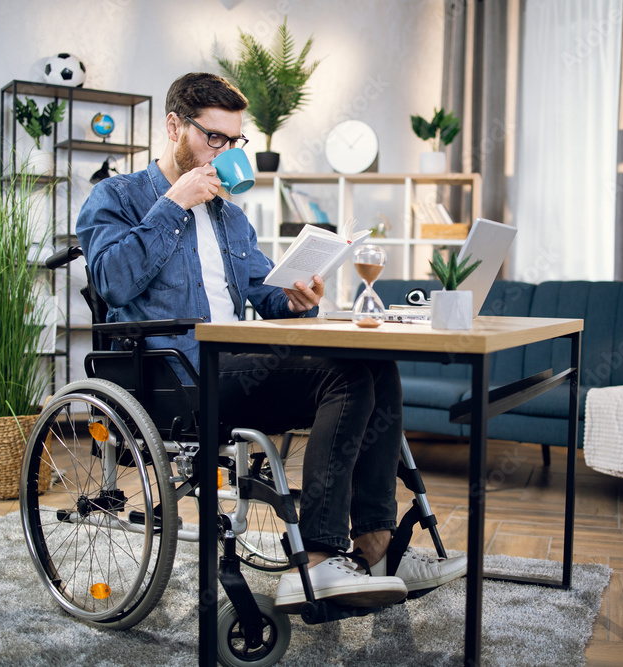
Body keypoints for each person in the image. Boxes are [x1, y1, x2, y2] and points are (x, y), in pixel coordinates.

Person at [76, 72, 466, 612]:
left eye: (235, 141)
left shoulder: (230, 218)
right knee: (345, 376)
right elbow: (112, 281)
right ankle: (317, 559)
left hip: (235, 366)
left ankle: (377, 548)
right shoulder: (116, 197)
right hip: (174, 378)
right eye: (214, 138)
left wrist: (298, 294)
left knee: (375, 362)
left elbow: (266, 290)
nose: (226, 152)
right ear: (173, 127)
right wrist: (173, 204)